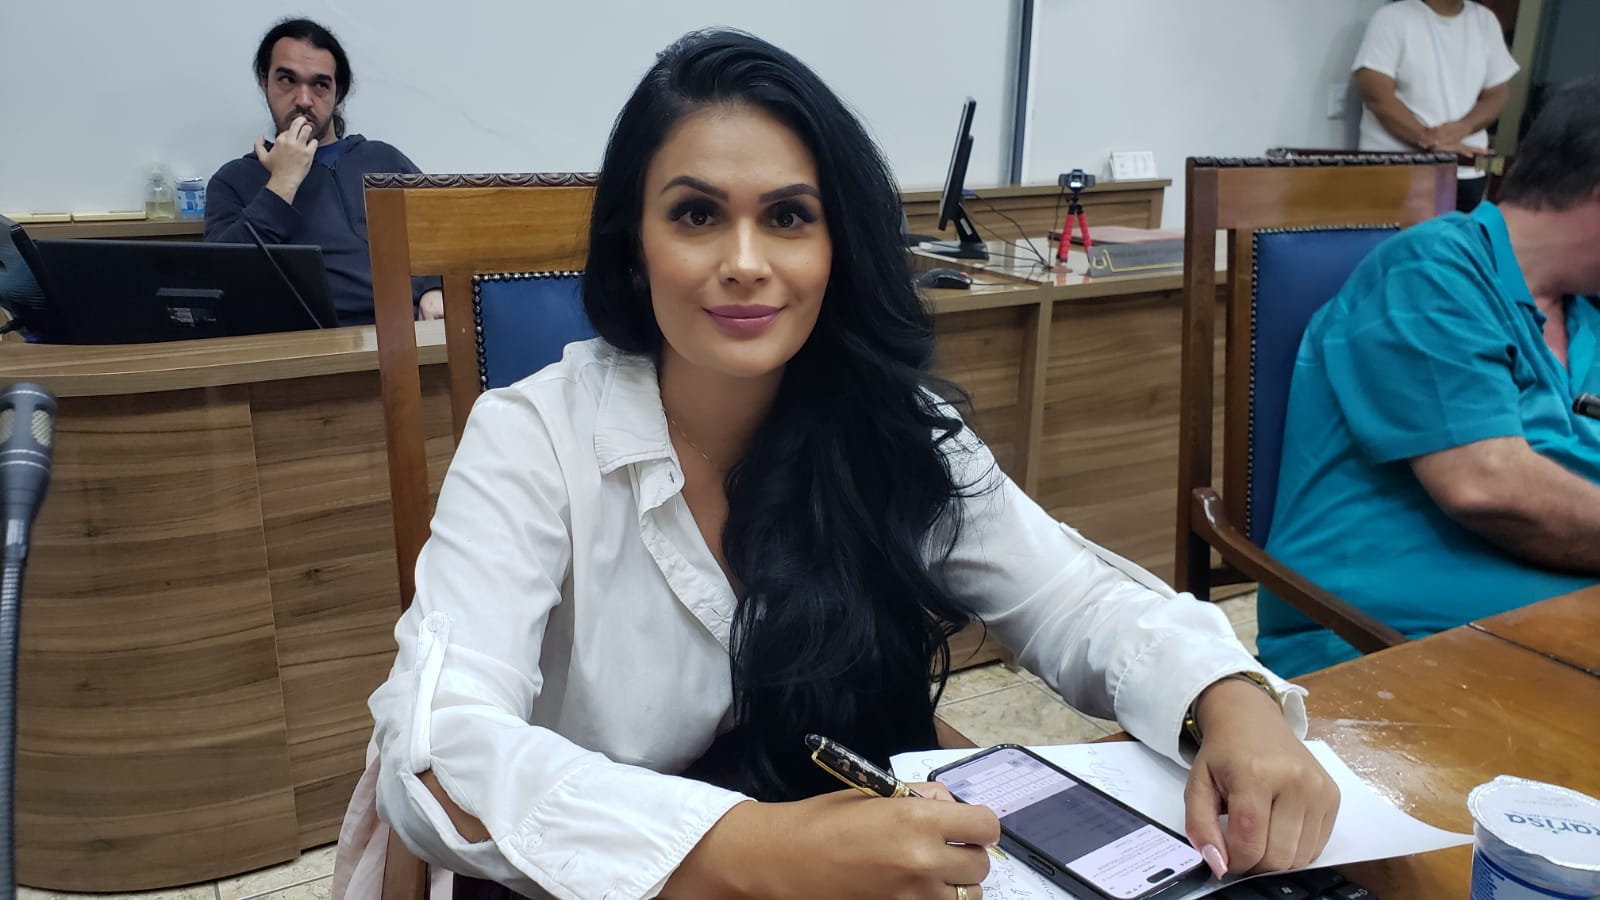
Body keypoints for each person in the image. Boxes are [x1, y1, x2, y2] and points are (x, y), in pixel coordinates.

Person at [333, 29, 1339, 900]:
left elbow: (1074, 597)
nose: (744, 261)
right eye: (695, 215)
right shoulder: (530, 438)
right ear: (634, 247)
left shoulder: (888, 422)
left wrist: (1227, 700)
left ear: (836, 245)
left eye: (787, 216)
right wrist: (750, 851)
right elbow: (440, 753)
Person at [1259, 77, 1600, 679]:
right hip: (1384, 646)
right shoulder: (1432, 269)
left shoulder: (1584, 315)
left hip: (1549, 626)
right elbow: (1486, 485)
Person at [204, 18, 443, 326]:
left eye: (320, 84)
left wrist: (434, 286)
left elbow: (442, 232)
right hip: (307, 343)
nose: (304, 100)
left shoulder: (383, 159)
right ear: (265, 83)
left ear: (338, 93)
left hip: (405, 331)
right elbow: (219, 281)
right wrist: (282, 183)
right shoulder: (234, 180)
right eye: (287, 80)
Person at [1352, 0, 1519, 211]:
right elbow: (1376, 95)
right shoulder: (1392, 17)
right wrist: (1428, 139)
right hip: (1399, 169)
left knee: (1458, 232)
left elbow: (1498, 92)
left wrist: (1463, 127)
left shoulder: (1484, 20)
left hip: (1465, 170)